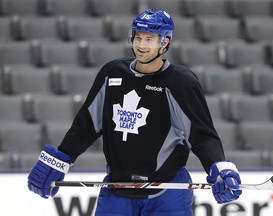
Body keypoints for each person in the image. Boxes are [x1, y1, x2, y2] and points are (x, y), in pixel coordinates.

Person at [28, 8, 242, 215]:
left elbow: (201, 135)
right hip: (116, 189)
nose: (140, 45)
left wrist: (218, 166)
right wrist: (62, 157)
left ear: (164, 42)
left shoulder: (181, 83)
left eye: (149, 39)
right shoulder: (111, 73)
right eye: (138, 37)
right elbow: (87, 124)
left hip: (167, 194)